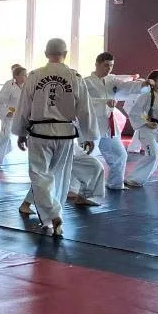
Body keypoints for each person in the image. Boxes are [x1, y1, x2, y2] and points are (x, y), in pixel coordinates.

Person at [14, 38, 95, 237]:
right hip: (65, 133)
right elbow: (85, 109)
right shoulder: (75, 76)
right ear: (65, 54)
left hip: (39, 133)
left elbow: (24, 107)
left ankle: (53, 215)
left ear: (45, 53)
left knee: (39, 175)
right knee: (59, 176)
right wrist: (88, 135)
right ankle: (55, 216)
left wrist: (21, 132)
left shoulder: (35, 76)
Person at [81, 53, 145, 190]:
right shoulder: (86, 82)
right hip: (92, 125)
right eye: (106, 65)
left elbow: (126, 86)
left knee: (120, 155)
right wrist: (104, 102)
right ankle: (80, 189)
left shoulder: (112, 79)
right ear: (97, 64)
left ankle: (115, 184)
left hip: (109, 124)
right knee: (87, 157)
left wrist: (142, 84)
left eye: (111, 65)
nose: (109, 68)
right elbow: (83, 101)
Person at [0, 67, 27, 169]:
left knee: (9, 141)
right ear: (16, 76)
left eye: (26, 75)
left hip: (20, 117)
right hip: (9, 117)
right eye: (23, 75)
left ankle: (0, 155)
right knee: (5, 137)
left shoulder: (25, 87)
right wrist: (6, 112)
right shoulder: (9, 85)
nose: (26, 77)